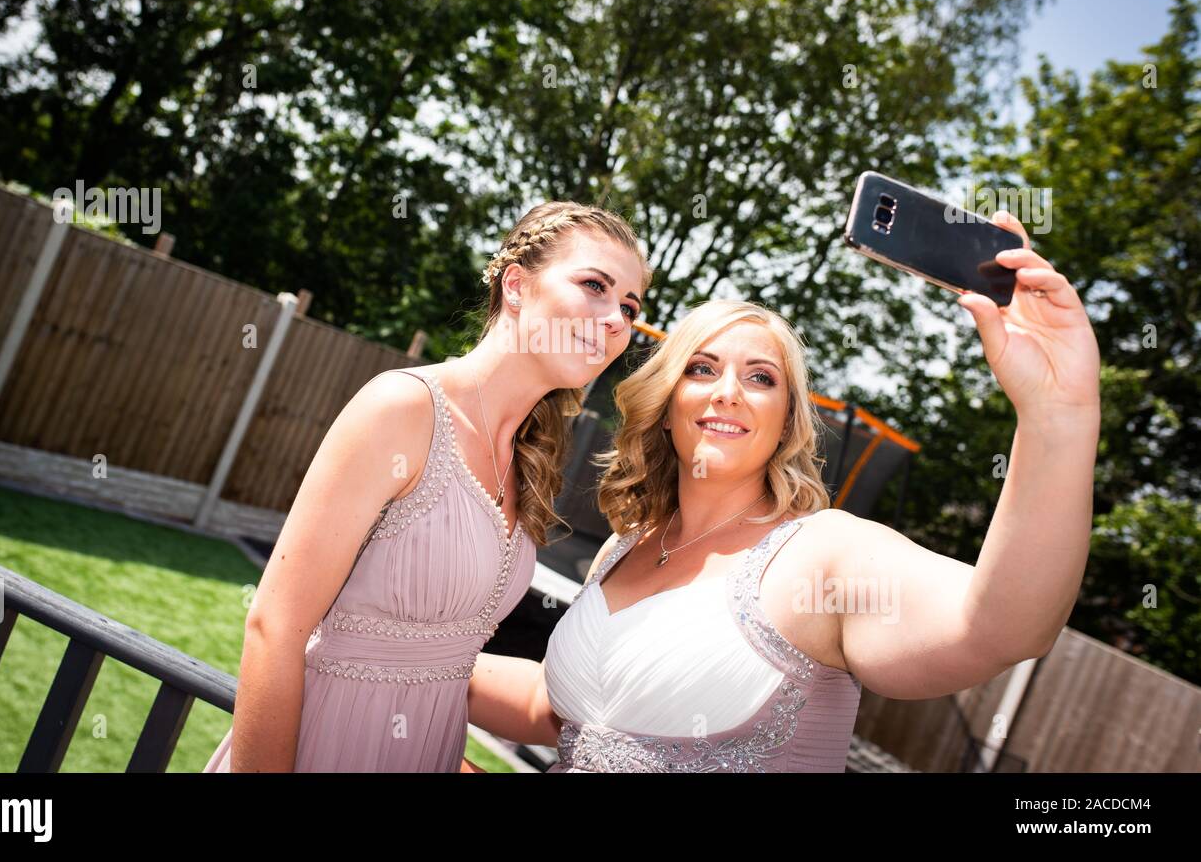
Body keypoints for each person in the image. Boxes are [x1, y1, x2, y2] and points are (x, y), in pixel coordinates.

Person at [466, 212, 1100, 772]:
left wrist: (1057, 415)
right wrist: (399, 660)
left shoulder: (820, 554)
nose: (728, 392)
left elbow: (998, 628)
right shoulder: (620, 552)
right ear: (666, 404)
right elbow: (554, 710)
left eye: (761, 378)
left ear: (786, 423)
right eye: (703, 368)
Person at [204, 201, 652, 771]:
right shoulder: (404, 409)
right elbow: (274, 625)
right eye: (595, 285)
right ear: (516, 285)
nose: (616, 319)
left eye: (629, 307)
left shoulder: (527, 461)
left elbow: (448, 667)